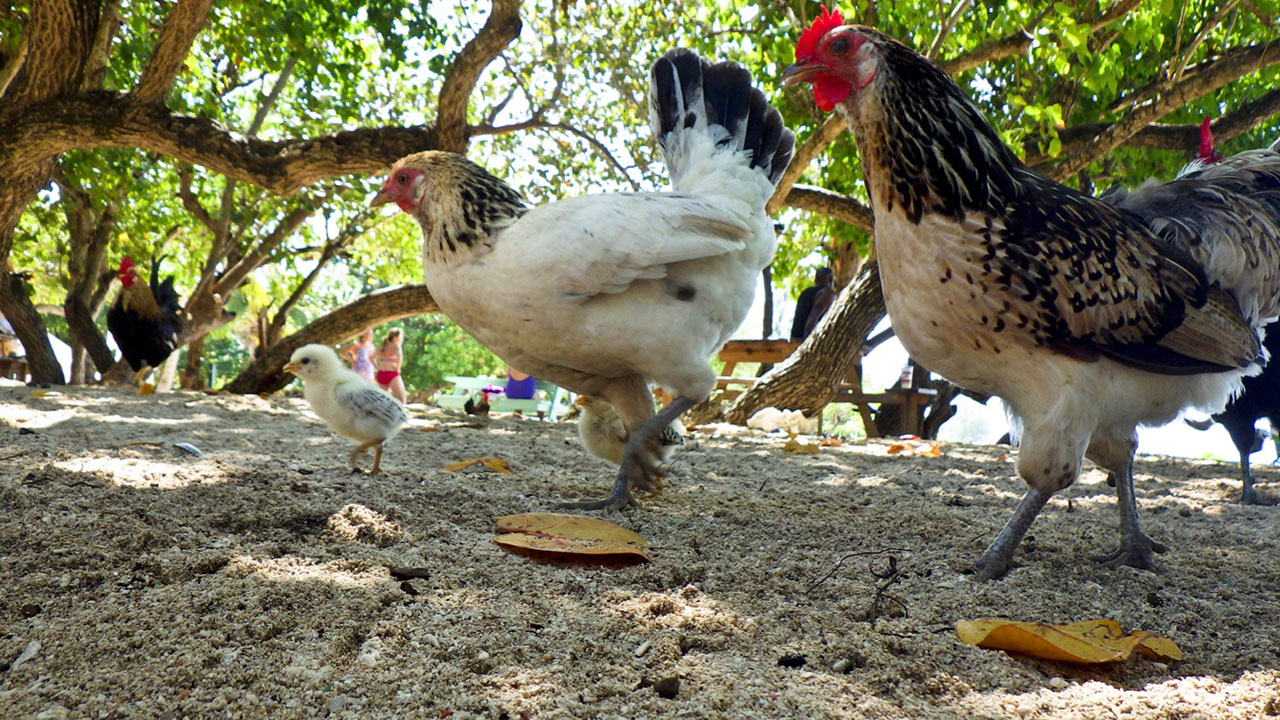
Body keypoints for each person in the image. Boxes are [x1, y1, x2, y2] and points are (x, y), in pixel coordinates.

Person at [790, 267, 836, 341]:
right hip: (806, 339)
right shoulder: (827, 293)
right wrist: (807, 343)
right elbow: (814, 316)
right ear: (830, 279)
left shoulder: (805, 293)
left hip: (795, 339)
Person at [373, 328, 408, 404]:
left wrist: (377, 367)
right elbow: (399, 359)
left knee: (382, 400)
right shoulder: (396, 346)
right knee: (402, 399)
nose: (401, 339)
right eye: (400, 337)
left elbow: (371, 357)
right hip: (392, 374)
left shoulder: (383, 346)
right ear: (395, 337)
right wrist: (398, 368)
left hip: (381, 374)